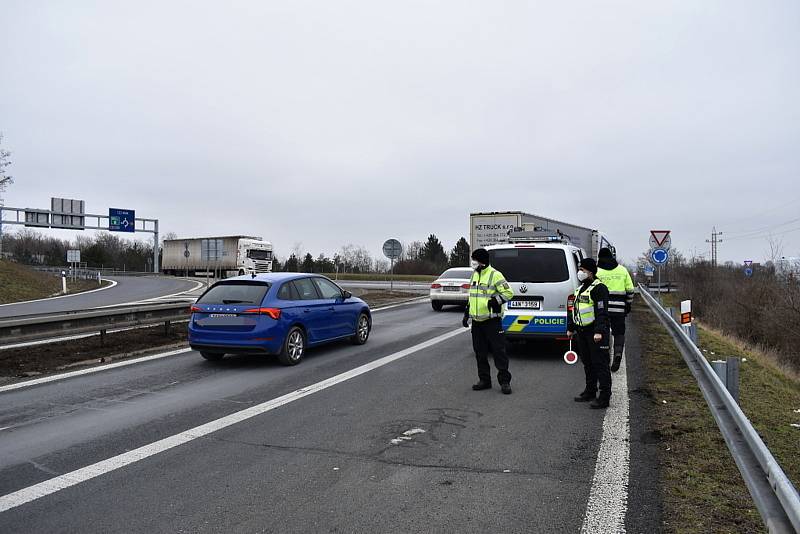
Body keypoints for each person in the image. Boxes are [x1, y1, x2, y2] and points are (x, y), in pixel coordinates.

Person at [462, 248, 515, 394]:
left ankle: (504, 382)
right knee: (480, 352)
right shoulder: (474, 275)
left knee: (499, 352)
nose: (472, 262)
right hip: (477, 322)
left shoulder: (495, 275)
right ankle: (484, 380)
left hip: (492, 321)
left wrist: (495, 302)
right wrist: (467, 313)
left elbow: (509, 293)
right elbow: (472, 296)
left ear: (482, 261)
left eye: (474, 260)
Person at [567, 258, 612, 409]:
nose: (580, 272)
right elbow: (575, 310)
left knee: (600, 364)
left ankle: (604, 397)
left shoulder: (599, 288)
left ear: (590, 272)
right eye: (580, 269)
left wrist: (599, 331)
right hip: (582, 332)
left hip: (595, 333)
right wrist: (571, 327)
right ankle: (590, 391)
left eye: (583, 270)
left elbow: (602, 312)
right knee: (588, 363)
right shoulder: (580, 289)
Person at [596, 247, 635, 372]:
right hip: (619, 309)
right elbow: (630, 290)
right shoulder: (622, 270)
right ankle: (618, 354)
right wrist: (627, 304)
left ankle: (604, 358)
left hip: (603, 309)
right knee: (619, 333)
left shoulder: (597, 271)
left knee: (603, 332)